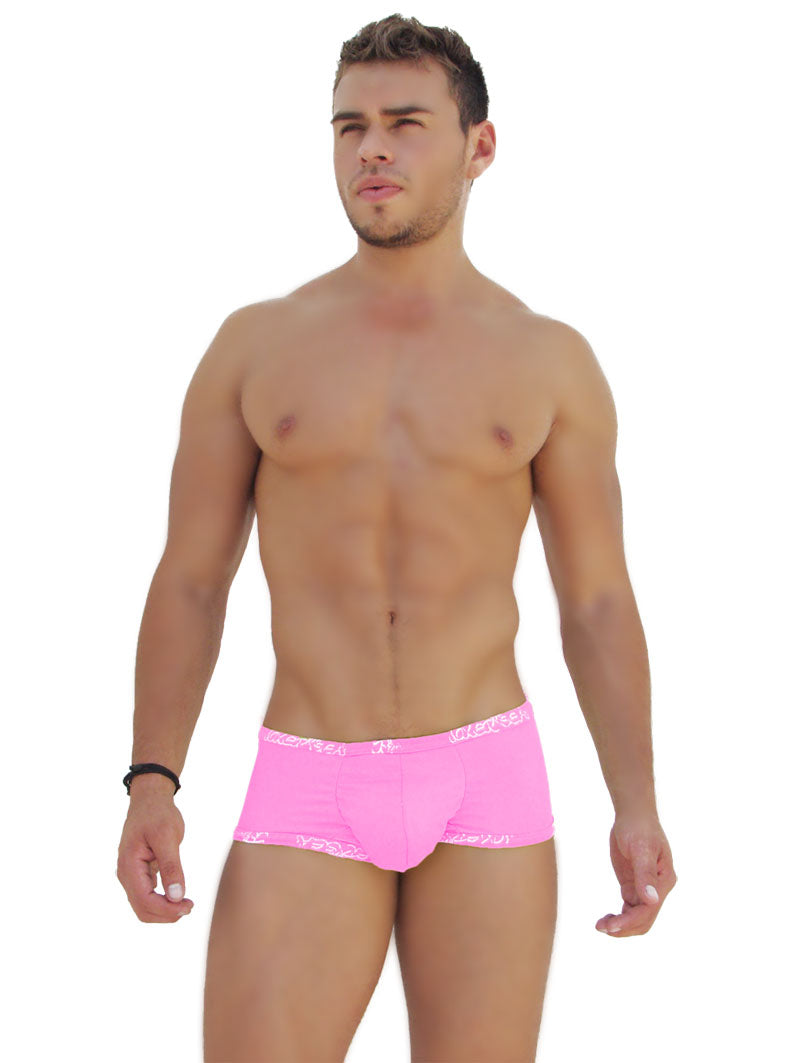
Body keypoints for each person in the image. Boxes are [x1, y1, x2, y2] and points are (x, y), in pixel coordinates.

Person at [116, 14, 677, 1062]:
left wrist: (635, 802)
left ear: (479, 147)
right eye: (350, 127)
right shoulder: (254, 346)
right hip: (308, 775)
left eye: (406, 123)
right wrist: (154, 775)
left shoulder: (548, 360)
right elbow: (191, 578)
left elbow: (596, 597)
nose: (371, 149)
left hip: (486, 775)